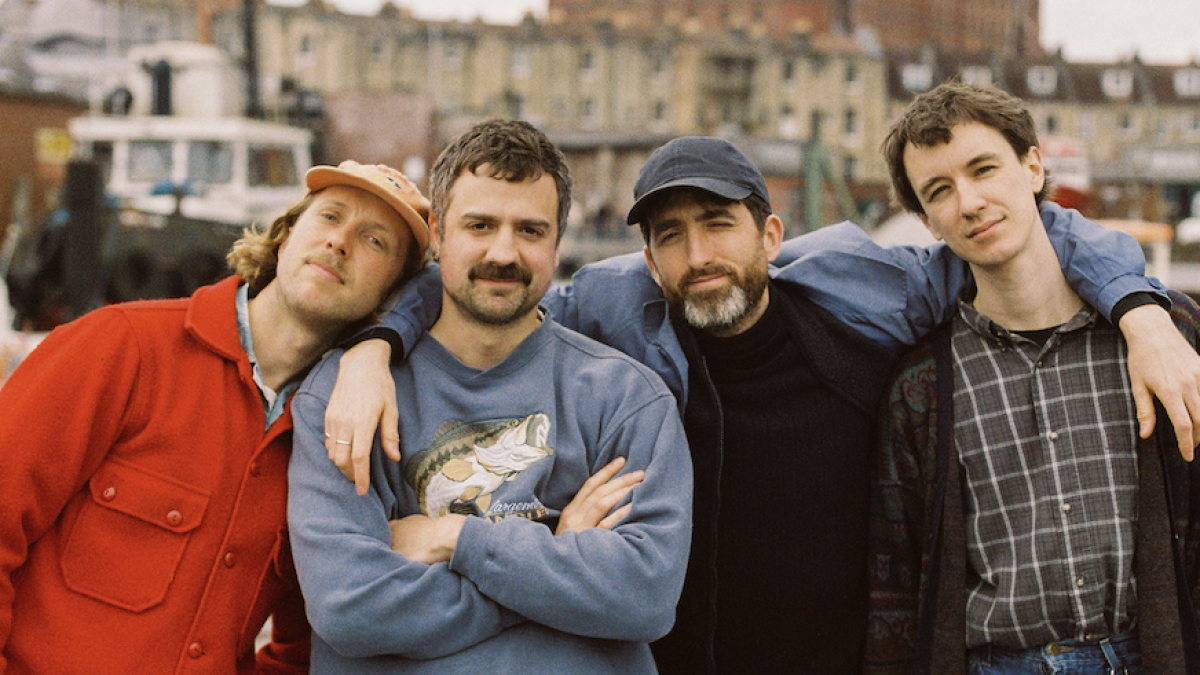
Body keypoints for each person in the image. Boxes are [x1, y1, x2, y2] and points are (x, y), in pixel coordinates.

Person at [325, 134, 1200, 672]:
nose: (697, 252)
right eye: (670, 235)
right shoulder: (610, 313)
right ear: (647, 259)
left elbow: (1027, 233)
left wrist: (1141, 310)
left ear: (771, 235)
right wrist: (376, 344)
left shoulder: (867, 295)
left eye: (718, 223)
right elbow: (480, 285)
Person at [286, 119, 693, 674]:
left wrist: (455, 538)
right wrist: (556, 558)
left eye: (530, 231)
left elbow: (644, 596)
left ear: (557, 241)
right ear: (437, 232)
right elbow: (351, 606)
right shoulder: (348, 397)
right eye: (479, 225)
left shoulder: (627, 397)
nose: (503, 253)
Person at [0, 159, 430, 673]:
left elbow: (307, 648)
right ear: (287, 233)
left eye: (375, 241)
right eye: (329, 217)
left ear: (392, 294)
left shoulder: (336, 438)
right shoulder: (121, 347)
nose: (340, 242)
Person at [863, 81, 1200, 674]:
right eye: (940, 191)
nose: (969, 202)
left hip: (1152, 653)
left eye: (983, 168)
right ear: (927, 221)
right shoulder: (921, 388)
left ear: (1034, 166)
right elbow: (895, 584)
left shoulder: (1163, 336)